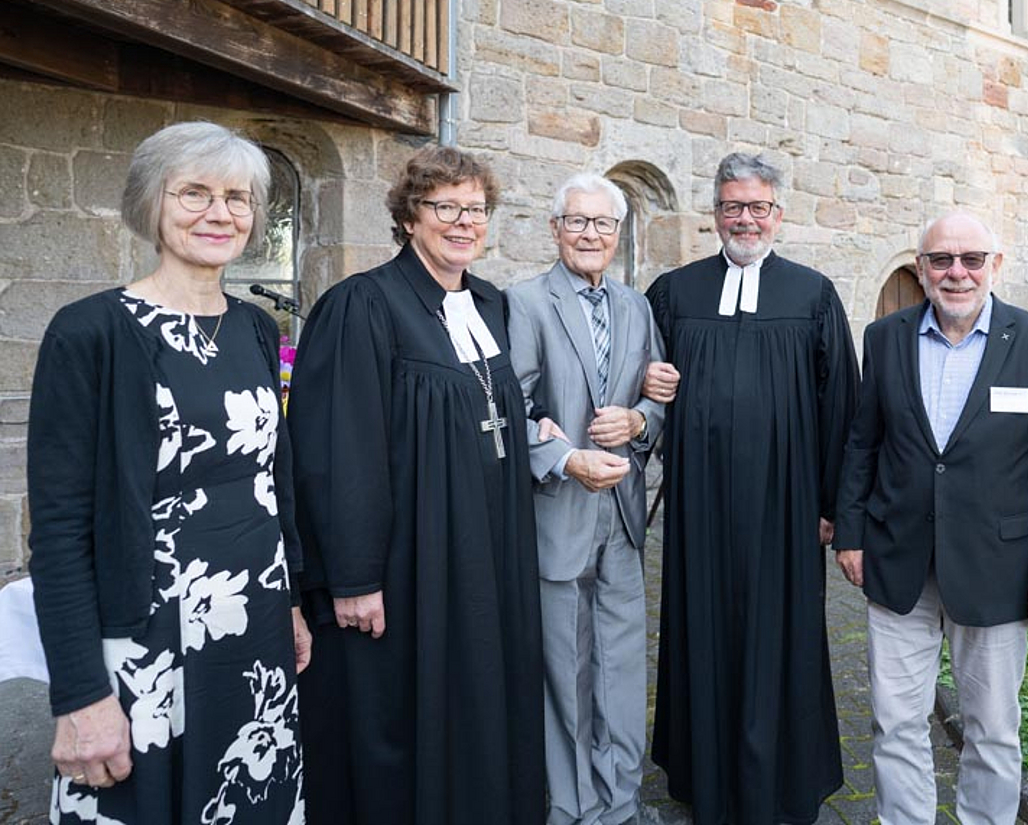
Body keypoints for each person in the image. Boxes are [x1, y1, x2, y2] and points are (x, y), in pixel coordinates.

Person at [27, 121, 308, 823]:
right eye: (195, 193)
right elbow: (58, 528)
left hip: (253, 620)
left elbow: (270, 478)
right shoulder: (89, 331)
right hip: (142, 638)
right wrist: (79, 693)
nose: (220, 212)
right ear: (151, 202)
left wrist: (293, 599)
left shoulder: (254, 328)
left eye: (238, 197)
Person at [287, 146, 544, 824]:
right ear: (408, 217)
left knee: (478, 698)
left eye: (475, 209)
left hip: (484, 558)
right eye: (445, 207)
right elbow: (338, 450)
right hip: (406, 567)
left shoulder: (488, 305)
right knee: (403, 717)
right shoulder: (360, 305)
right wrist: (352, 575)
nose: (463, 222)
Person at [834, 212, 1028, 825]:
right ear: (920, 270)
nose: (956, 272)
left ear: (994, 266)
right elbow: (863, 444)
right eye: (941, 260)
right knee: (895, 724)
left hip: (999, 568)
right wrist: (850, 533)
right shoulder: (885, 337)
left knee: (994, 730)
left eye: (971, 259)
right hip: (898, 561)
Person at [646, 152, 859, 825]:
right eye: (733, 205)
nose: (746, 218)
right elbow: (641, 386)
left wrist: (831, 506)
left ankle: (784, 778)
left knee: (782, 631)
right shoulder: (673, 292)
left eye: (758, 206)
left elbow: (842, 407)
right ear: (714, 215)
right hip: (697, 504)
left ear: (778, 213)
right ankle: (703, 771)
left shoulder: (813, 293)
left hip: (788, 506)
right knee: (701, 625)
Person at [507, 173, 676, 825]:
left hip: (625, 520)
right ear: (555, 229)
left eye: (603, 223)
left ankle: (622, 801)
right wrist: (563, 457)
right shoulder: (523, 303)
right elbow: (506, 410)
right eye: (577, 221)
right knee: (568, 674)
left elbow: (656, 401)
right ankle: (574, 807)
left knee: (624, 669)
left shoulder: (637, 307)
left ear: (617, 233)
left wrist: (636, 422)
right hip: (558, 512)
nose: (590, 234)